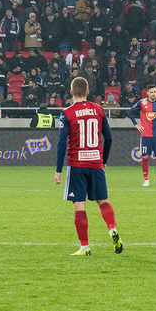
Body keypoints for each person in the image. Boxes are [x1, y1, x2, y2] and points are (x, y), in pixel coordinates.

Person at [54, 76, 122, 256]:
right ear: (88, 92)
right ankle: (112, 228)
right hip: (96, 163)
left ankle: (85, 247)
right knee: (103, 202)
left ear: (71, 92)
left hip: (77, 165)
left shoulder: (66, 113)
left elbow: (62, 143)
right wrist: (104, 160)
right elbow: (109, 138)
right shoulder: (99, 110)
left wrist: (58, 170)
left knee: (79, 206)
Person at [128, 84, 156, 187]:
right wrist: (136, 124)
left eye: (155, 92)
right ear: (147, 93)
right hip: (145, 135)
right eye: (151, 92)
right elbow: (130, 112)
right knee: (145, 156)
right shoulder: (142, 102)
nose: (153, 94)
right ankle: (146, 180)